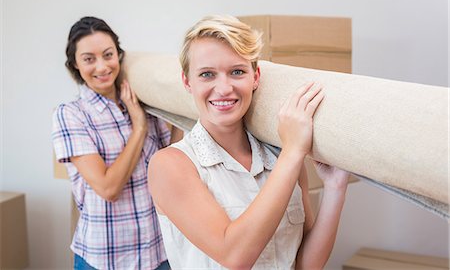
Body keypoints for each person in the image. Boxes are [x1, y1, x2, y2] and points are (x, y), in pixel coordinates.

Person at [148, 15, 350, 269]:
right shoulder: (171, 165)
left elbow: (306, 265)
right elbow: (235, 257)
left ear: (255, 77)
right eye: (207, 74)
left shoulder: (282, 159)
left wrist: (335, 188)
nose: (223, 88)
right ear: (188, 82)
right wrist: (293, 151)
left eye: (237, 72)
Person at [52, 16, 180, 270]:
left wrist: (177, 112)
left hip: (158, 252)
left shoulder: (141, 103)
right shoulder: (71, 114)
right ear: (75, 64)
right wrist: (139, 127)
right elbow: (108, 188)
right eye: (89, 59)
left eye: (108, 55)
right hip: (106, 259)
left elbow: (167, 162)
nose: (102, 67)